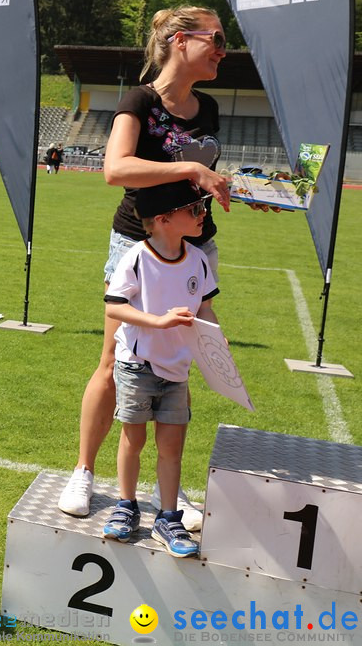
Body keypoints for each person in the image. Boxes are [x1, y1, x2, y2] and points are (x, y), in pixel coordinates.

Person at [57, 6, 230, 526]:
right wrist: (193, 167)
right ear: (180, 41)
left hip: (195, 249)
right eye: (216, 39)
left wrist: (236, 188)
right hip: (137, 245)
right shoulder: (139, 100)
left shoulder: (210, 108)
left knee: (178, 360)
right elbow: (117, 168)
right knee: (116, 361)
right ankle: (84, 471)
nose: (223, 49)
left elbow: (195, 185)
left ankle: (168, 496)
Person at [101, 180, 219, 558]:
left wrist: (216, 339)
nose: (203, 215)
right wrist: (159, 321)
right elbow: (114, 308)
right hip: (137, 367)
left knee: (172, 448)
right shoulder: (136, 256)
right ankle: (126, 506)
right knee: (133, 441)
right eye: (196, 209)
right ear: (165, 219)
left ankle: (168, 518)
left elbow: (205, 308)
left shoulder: (198, 259)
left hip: (177, 371)